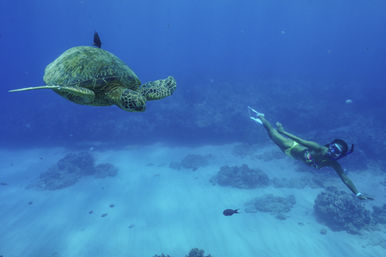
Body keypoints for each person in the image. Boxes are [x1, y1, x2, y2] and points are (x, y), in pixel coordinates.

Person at [248, 107, 373, 200]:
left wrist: (358, 193)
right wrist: (283, 131)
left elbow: (345, 178)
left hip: (290, 155)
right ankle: (261, 116)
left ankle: (264, 123)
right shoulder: (319, 148)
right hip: (290, 146)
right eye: (333, 147)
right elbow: (301, 140)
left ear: (339, 156)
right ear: (330, 145)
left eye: (336, 151)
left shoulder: (333, 163)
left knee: (271, 135)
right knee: (271, 132)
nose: (332, 151)